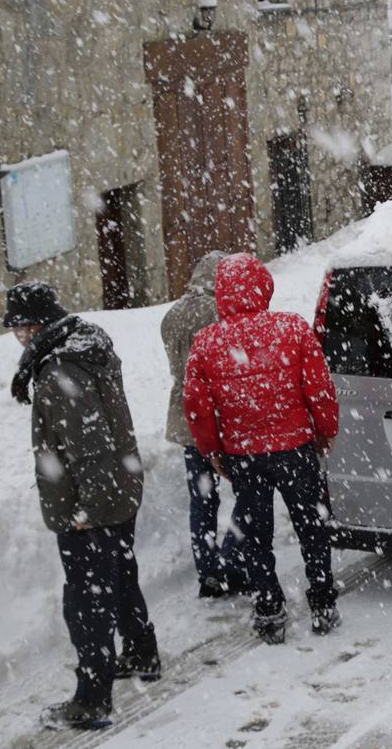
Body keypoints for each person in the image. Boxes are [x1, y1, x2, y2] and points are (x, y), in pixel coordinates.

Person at [5, 281, 160, 731]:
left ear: (40, 324)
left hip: (93, 503)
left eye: (22, 327)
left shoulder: (58, 371)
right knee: (121, 574)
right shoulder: (86, 349)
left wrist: (86, 512)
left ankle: (92, 700)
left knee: (86, 602)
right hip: (119, 489)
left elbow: (90, 447)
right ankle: (141, 651)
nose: (19, 337)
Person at [183, 253, 341, 644]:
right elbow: (319, 389)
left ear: (221, 294)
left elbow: (197, 407)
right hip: (296, 448)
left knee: (256, 534)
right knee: (311, 526)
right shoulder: (292, 329)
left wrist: (212, 450)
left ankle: (269, 609)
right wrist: (325, 430)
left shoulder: (206, 343)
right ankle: (322, 601)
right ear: (264, 286)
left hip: (245, 454)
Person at [161, 250, 249, 598]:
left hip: (186, 420)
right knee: (247, 493)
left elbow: (177, 369)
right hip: (222, 421)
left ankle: (208, 570)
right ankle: (231, 558)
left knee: (202, 499)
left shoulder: (171, 316)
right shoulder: (220, 313)